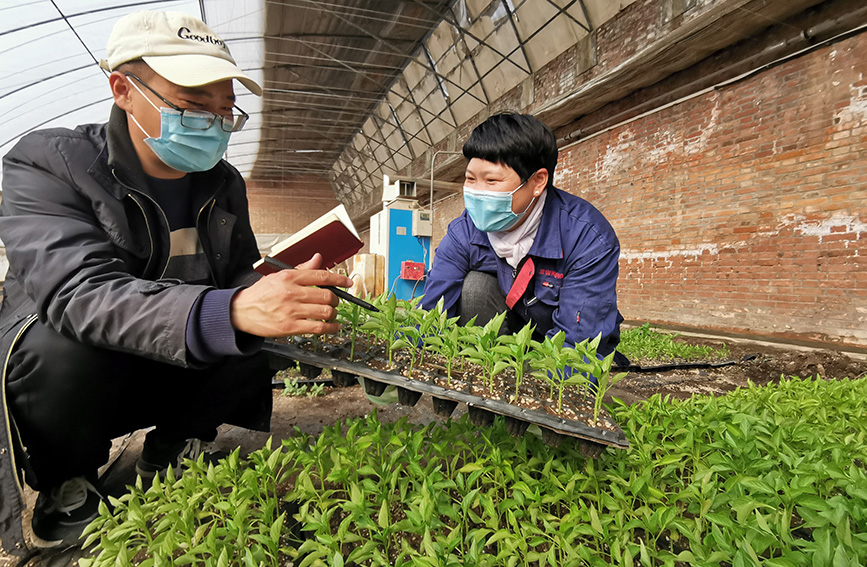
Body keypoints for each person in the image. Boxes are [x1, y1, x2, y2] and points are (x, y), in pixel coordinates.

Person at [0, 10, 352, 551]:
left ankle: (174, 442)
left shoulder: (223, 182)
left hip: (174, 359)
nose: (213, 123)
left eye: (225, 109)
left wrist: (281, 287)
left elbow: (238, 270)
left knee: (258, 335)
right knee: (60, 347)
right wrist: (231, 310)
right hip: (83, 369)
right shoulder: (50, 164)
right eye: (192, 105)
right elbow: (79, 294)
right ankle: (66, 479)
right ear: (123, 89)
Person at [421, 113, 626, 363]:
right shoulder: (466, 230)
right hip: (511, 333)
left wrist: (535, 387)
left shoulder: (586, 236)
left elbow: (578, 339)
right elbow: (433, 309)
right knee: (475, 288)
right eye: (470, 179)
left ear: (537, 181)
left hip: (559, 339)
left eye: (491, 180)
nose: (477, 193)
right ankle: (486, 374)